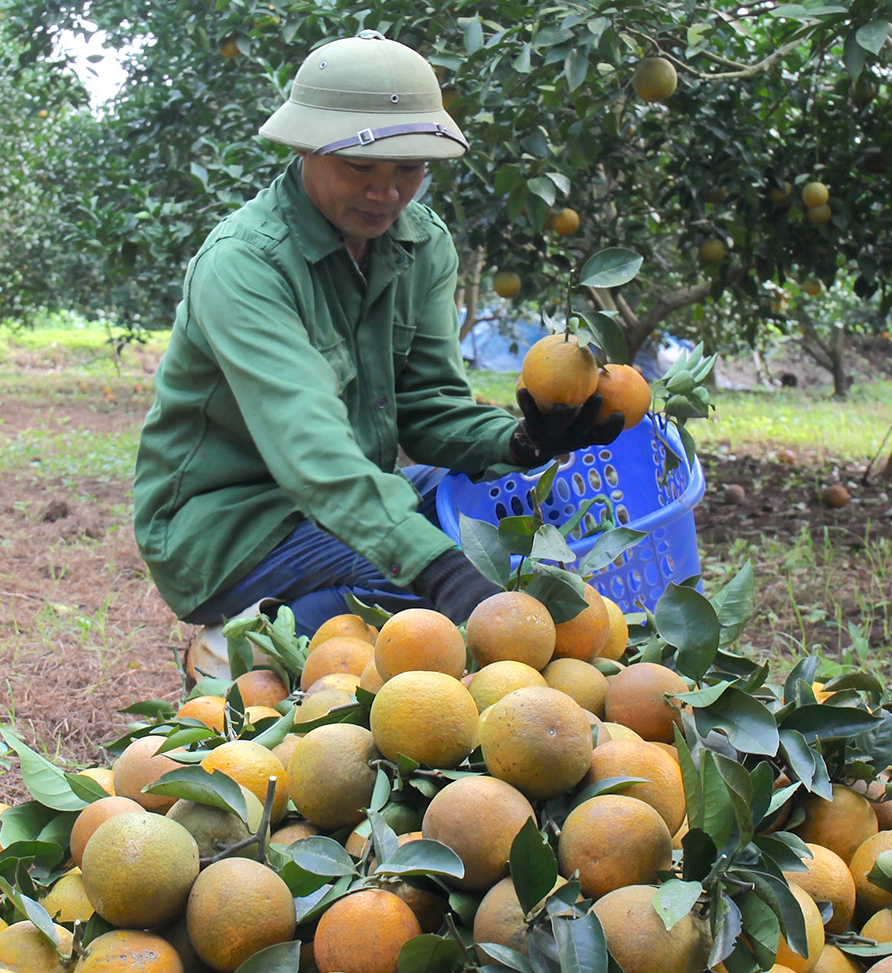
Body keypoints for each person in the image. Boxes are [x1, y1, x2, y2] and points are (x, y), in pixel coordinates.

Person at [132, 30, 619, 650]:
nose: (386, 193)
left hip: (347, 497)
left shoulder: (419, 243)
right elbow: (307, 443)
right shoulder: (244, 265)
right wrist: (439, 570)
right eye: (360, 166)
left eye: (409, 168)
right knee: (431, 604)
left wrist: (521, 440)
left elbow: (427, 408)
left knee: (504, 521)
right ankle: (243, 648)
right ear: (306, 149)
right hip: (233, 527)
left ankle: (301, 621)